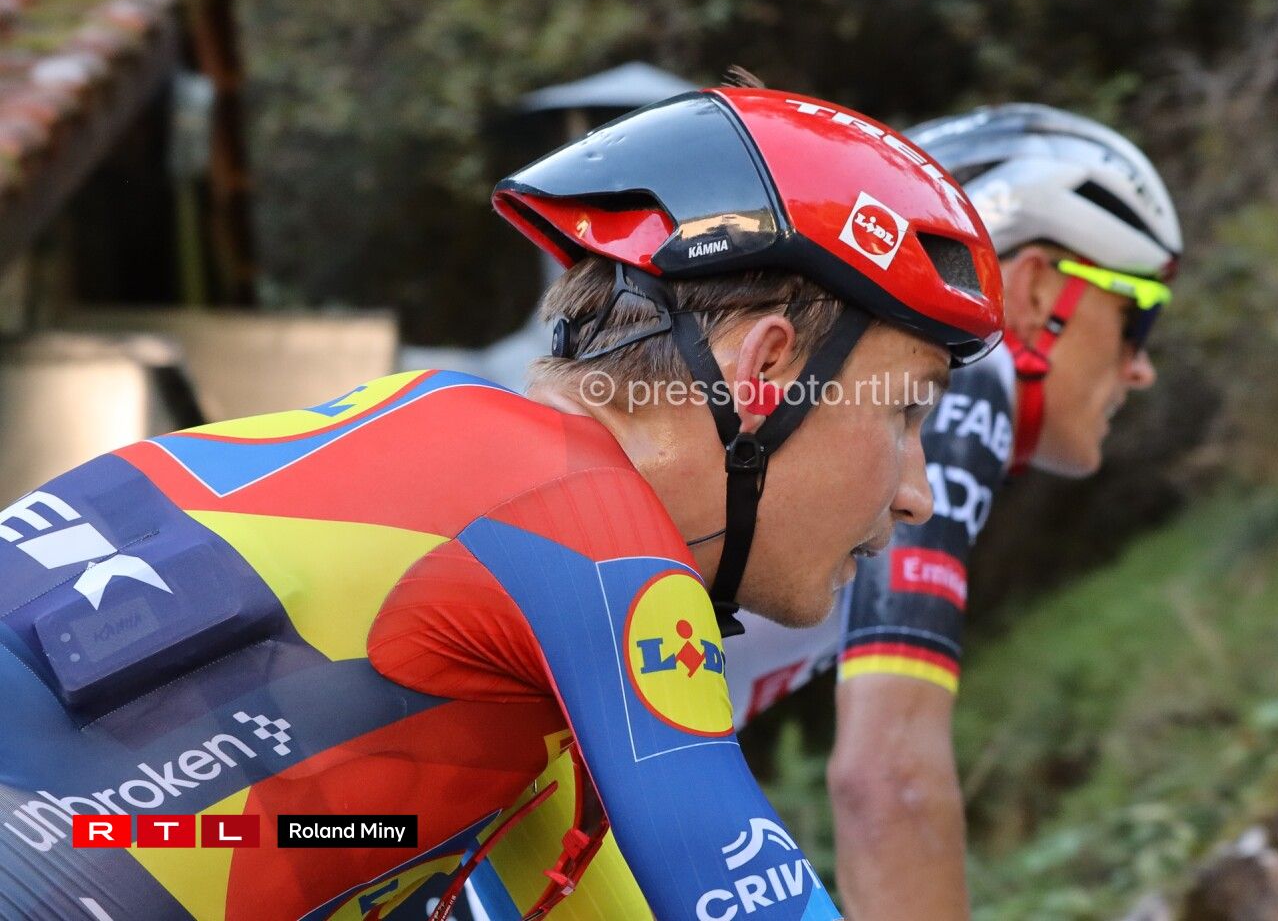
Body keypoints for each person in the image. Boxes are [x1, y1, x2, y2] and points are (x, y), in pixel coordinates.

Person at [0, 87, 1003, 921]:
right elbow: (745, 899)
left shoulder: (466, 496)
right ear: (766, 371)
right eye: (907, 410)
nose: (917, 492)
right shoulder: (582, 520)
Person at [461, 101, 1183, 921]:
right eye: (1140, 314)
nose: (1142, 368)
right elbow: (889, 782)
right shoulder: (977, 388)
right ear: (1040, 287)